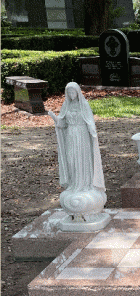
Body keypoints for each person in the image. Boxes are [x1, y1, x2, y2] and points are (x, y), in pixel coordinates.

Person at [48, 82, 106, 220]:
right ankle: (74, 185)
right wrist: (54, 118)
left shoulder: (84, 105)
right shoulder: (66, 105)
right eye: (69, 93)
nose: (71, 95)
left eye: (73, 92)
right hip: (71, 137)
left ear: (78, 92)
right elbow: (62, 124)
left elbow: (90, 121)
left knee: (83, 160)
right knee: (72, 160)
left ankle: (85, 185)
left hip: (82, 136)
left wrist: (92, 130)